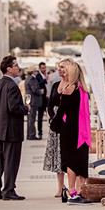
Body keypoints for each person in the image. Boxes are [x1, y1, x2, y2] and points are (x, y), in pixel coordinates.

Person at [0, 55, 29, 201]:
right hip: (12, 130)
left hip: (1, 129)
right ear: (9, 69)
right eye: (16, 66)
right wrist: (26, 108)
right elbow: (13, 107)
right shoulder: (12, 85)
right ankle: (8, 190)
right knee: (11, 161)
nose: (18, 68)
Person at [55, 58, 92, 203]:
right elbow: (62, 111)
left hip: (76, 129)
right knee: (73, 161)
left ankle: (79, 191)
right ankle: (72, 191)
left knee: (80, 161)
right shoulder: (73, 89)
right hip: (72, 130)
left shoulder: (78, 88)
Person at [44, 63, 66, 202]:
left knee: (67, 156)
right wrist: (53, 117)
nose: (60, 70)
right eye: (59, 68)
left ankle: (74, 187)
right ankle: (60, 187)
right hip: (55, 124)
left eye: (63, 68)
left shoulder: (74, 86)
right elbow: (50, 104)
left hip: (68, 123)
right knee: (57, 156)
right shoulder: (55, 85)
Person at [26, 62, 48, 140]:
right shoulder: (32, 79)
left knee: (30, 118)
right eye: (36, 71)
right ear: (33, 72)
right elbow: (34, 89)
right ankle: (32, 135)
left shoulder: (28, 78)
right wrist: (40, 91)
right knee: (32, 119)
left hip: (30, 100)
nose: (37, 72)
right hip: (34, 101)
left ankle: (29, 134)